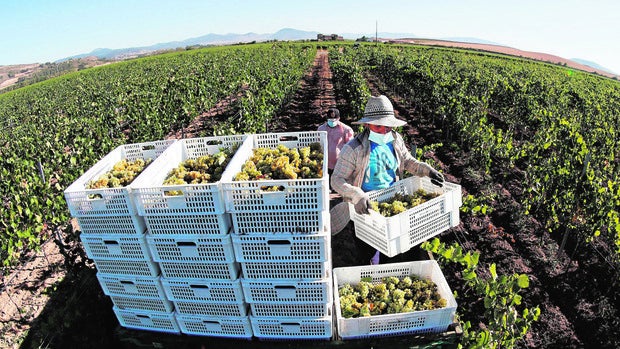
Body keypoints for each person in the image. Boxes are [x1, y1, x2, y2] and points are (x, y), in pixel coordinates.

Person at [330, 95, 444, 265]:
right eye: (378, 126)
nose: (384, 131)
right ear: (367, 125)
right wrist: (356, 195)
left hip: (391, 204)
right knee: (366, 252)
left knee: (391, 253)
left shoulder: (396, 140)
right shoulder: (353, 149)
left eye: (388, 127)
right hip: (366, 209)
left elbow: (407, 161)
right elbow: (337, 180)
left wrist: (427, 170)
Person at [317, 107, 354, 178]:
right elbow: (318, 144)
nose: (332, 122)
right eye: (330, 120)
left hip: (340, 164)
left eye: (334, 120)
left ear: (339, 118)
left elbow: (350, 147)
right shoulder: (321, 129)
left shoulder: (346, 130)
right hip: (325, 163)